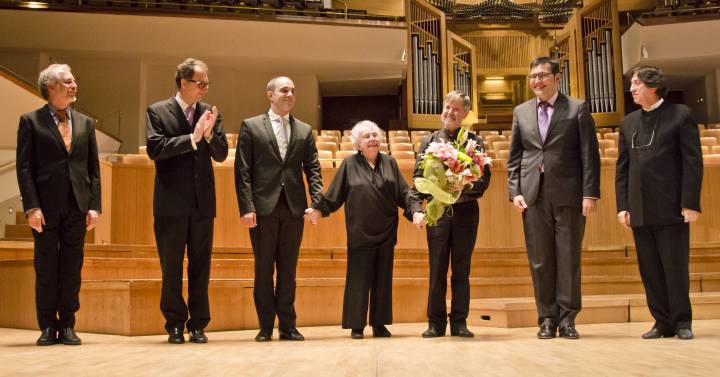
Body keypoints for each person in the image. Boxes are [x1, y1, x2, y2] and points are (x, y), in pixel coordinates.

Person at [507, 56, 600, 340]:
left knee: (568, 257)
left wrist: (589, 193)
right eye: (533, 76)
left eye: (542, 75)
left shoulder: (577, 108)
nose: (537, 81)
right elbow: (515, 157)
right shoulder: (521, 112)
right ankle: (547, 319)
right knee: (540, 260)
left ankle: (568, 319)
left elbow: (589, 156)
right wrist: (515, 191)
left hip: (569, 194)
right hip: (533, 194)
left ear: (557, 77)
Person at [615, 65, 703, 340]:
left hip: (671, 206)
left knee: (674, 266)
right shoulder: (628, 122)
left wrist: (690, 202)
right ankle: (661, 321)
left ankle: (682, 321)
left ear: (653, 86)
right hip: (639, 208)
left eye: (637, 83)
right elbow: (622, 168)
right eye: (632, 84)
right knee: (650, 269)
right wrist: (623, 205)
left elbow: (692, 163)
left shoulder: (681, 115)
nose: (632, 88)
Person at [16, 63, 101, 346]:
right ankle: (46, 325)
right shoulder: (31, 121)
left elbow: (92, 169)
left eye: (73, 80)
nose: (73, 85)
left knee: (71, 268)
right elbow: (24, 168)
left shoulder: (86, 123)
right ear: (51, 87)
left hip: (77, 205)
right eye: (66, 81)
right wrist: (31, 207)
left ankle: (67, 324)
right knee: (46, 267)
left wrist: (94, 206)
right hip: (45, 208)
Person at [234, 76, 323, 342]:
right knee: (263, 269)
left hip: (294, 208)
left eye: (293, 90)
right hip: (262, 209)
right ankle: (264, 326)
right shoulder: (251, 126)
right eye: (284, 90)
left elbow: (313, 169)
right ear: (269, 95)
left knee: (288, 269)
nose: (290, 94)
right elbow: (243, 171)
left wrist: (316, 202)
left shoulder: (305, 130)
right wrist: (246, 207)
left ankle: (287, 325)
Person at [146, 58, 228, 344]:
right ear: (183, 83)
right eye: (200, 83)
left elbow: (220, 154)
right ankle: (174, 324)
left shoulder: (209, 112)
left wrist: (208, 135)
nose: (205, 88)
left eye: (207, 83)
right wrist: (191, 139)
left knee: (201, 265)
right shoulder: (158, 111)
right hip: (170, 203)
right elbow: (155, 149)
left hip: (202, 203)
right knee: (171, 266)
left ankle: (198, 324)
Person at [311, 120, 413, 339]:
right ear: (358, 144)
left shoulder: (391, 163)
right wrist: (318, 210)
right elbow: (334, 195)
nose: (372, 139)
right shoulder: (348, 164)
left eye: (375, 135)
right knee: (358, 278)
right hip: (359, 231)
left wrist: (416, 211)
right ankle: (356, 324)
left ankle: (379, 324)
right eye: (366, 136)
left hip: (386, 230)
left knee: (383, 279)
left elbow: (403, 194)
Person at [409, 90, 492, 338]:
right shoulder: (430, 141)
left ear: (465, 113)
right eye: (447, 107)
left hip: (466, 213)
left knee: (461, 269)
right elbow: (418, 178)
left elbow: (484, 181)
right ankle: (435, 323)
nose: (449, 112)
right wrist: (416, 210)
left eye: (455, 109)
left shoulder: (475, 143)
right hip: (438, 213)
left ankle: (459, 322)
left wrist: (459, 189)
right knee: (436, 270)